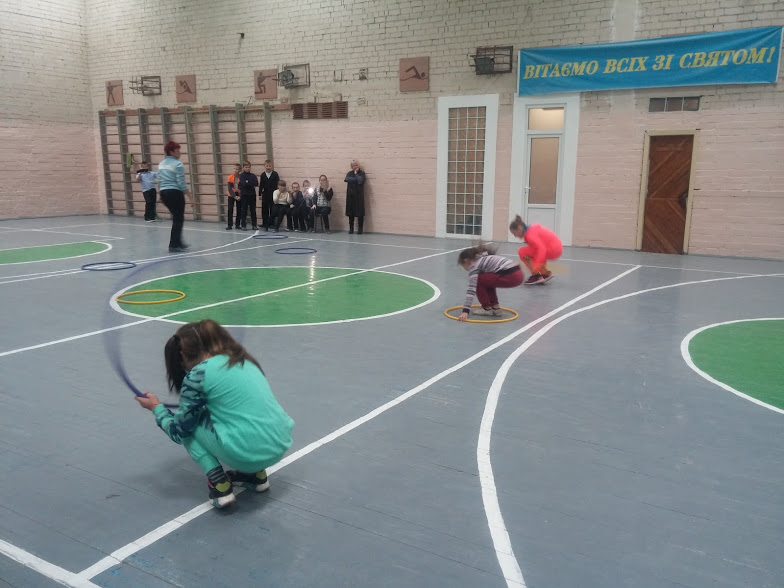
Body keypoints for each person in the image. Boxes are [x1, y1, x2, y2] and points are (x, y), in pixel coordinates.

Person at [135, 320, 295, 509]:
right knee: (238, 414)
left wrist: (156, 408)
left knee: (189, 426)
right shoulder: (243, 360)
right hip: (279, 445)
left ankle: (220, 486)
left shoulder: (198, 375)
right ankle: (256, 476)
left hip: (247, 453)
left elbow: (179, 432)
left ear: (182, 355)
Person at [457, 243, 523, 322]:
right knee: (487, 279)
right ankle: (495, 308)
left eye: (463, 266)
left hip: (511, 275)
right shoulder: (483, 258)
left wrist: (465, 310)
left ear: (466, 261)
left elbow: (471, 289)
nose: (465, 269)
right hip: (518, 273)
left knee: (479, 279)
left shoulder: (474, 266)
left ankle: (486, 308)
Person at [157, 141, 192, 252]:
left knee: (176, 217)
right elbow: (181, 183)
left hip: (164, 192)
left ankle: (178, 242)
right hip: (174, 192)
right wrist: (190, 197)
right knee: (178, 218)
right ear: (171, 152)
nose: (179, 153)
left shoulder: (161, 164)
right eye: (177, 150)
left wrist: (161, 194)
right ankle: (173, 245)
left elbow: (159, 180)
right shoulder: (178, 164)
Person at [509, 215, 563, 285]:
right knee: (532, 252)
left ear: (519, 229)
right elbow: (539, 250)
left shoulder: (530, 235)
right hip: (556, 248)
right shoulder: (531, 229)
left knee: (522, 252)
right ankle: (544, 274)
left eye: (514, 233)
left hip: (553, 249)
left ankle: (537, 275)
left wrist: (536, 268)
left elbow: (541, 250)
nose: (515, 236)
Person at [344, 159, 366, 234]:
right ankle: (351, 229)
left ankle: (360, 229)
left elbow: (360, 180)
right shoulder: (349, 173)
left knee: (360, 214)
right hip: (350, 197)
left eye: (356, 165)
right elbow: (347, 179)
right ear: (351, 167)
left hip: (359, 197)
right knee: (351, 214)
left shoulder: (362, 173)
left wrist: (356, 174)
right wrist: (355, 179)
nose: (355, 166)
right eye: (354, 165)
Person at [258, 160, 280, 231]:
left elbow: (278, 184)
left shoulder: (275, 174)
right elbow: (261, 185)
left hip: (273, 194)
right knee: (265, 209)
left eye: (269, 166)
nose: (268, 167)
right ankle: (265, 223)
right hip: (265, 194)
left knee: (273, 209)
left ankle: (272, 223)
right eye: (267, 166)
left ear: (272, 166)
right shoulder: (263, 175)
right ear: (264, 166)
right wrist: (259, 194)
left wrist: (278, 193)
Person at [238, 160, 259, 231]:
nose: (247, 168)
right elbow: (243, 184)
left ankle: (254, 225)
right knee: (244, 210)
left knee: (253, 210)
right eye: (246, 167)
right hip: (244, 195)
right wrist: (249, 183)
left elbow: (256, 183)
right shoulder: (242, 176)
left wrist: (248, 182)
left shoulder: (253, 175)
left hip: (252, 195)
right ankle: (243, 225)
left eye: (249, 167)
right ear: (243, 168)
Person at [225, 163, 241, 230]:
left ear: (239, 170)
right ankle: (229, 225)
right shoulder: (230, 177)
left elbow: (242, 187)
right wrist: (234, 196)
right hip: (231, 195)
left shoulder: (241, 178)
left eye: (237, 169)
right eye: (234, 169)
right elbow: (229, 188)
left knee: (239, 210)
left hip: (239, 194)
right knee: (230, 209)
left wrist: (239, 196)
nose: (235, 170)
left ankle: (237, 224)